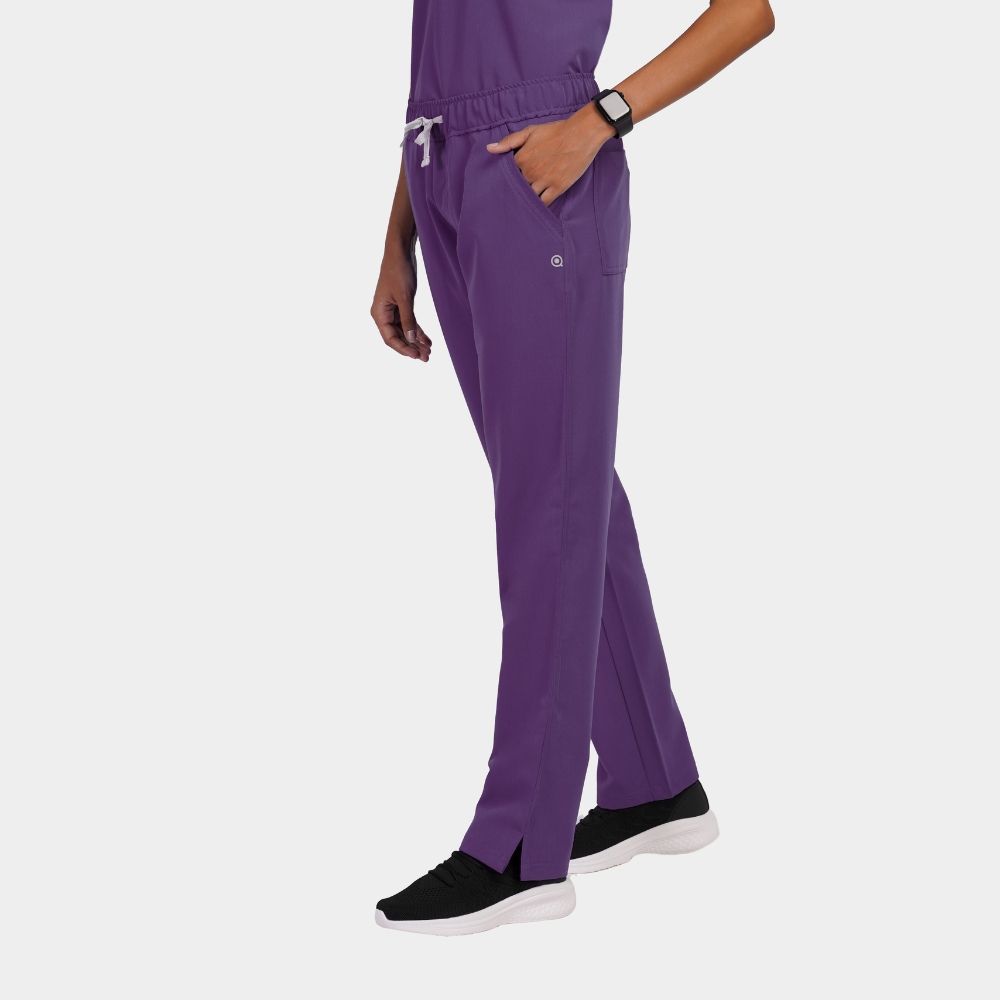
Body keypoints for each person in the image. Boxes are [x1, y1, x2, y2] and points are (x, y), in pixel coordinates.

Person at [370, 0, 775, 935]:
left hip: (541, 171)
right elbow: (443, 59)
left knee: (548, 503)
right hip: (442, 171)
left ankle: (522, 845)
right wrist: (400, 233)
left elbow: (747, 11)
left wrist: (602, 119)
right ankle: (653, 780)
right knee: (561, 486)